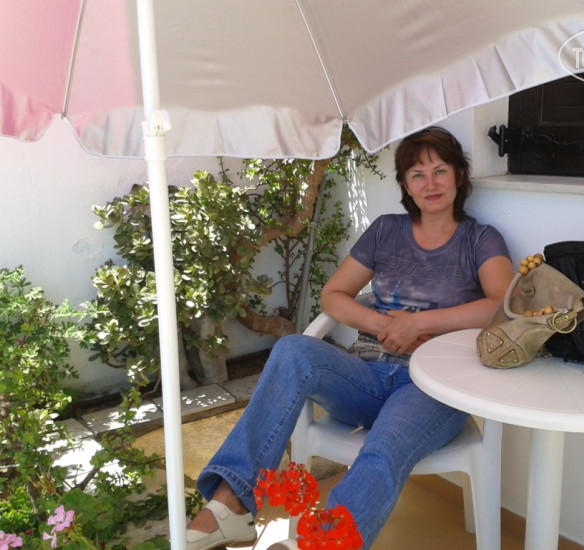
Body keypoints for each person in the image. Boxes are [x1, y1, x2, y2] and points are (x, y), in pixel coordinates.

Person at [186, 126, 514, 550]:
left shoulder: (480, 239)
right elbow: (333, 295)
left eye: (440, 171)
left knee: (385, 444)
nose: (430, 184)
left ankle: (326, 543)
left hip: (434, 387)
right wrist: (384, 326)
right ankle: (231, 504)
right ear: (405, 185)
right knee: (293, 349)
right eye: (417, 174)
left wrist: (420, 324)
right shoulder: (386, 231)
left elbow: (501, 306)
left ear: (459, 176)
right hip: (367, 375)